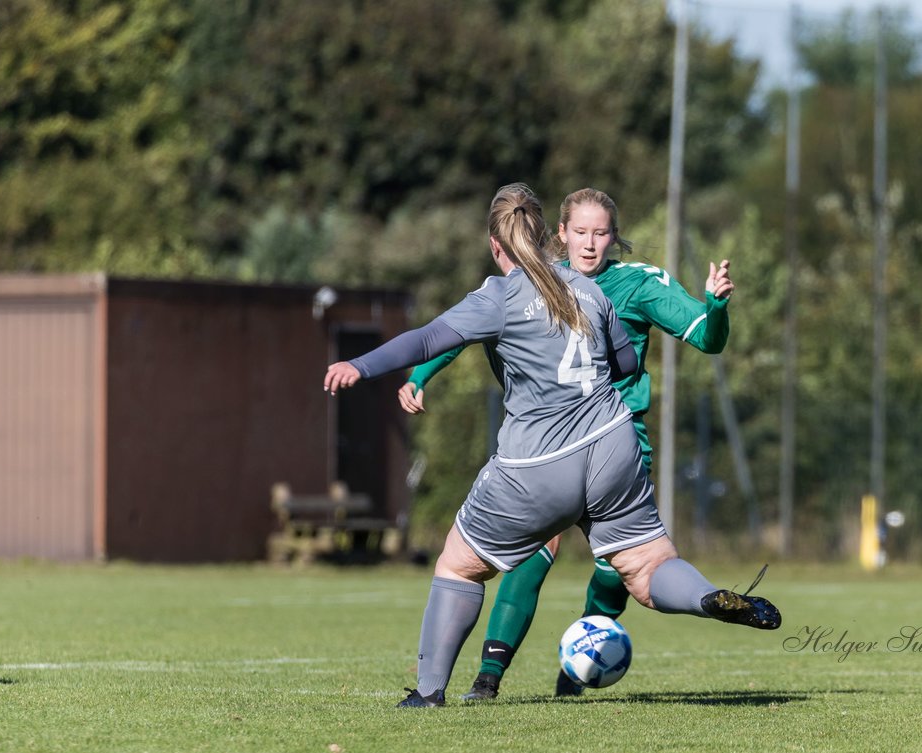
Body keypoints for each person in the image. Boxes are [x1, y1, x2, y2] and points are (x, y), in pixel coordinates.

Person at [324, 183, 779, 707]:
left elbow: (428, 338)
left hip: (540, 459)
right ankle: (705, 597)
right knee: (649, 566)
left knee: (458, 564)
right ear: (553, 236)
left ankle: (429, 692)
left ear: (496, 245)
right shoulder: (591, 293)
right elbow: (625, 364)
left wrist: (360, 365)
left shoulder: (498, 295)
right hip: (614, 443)